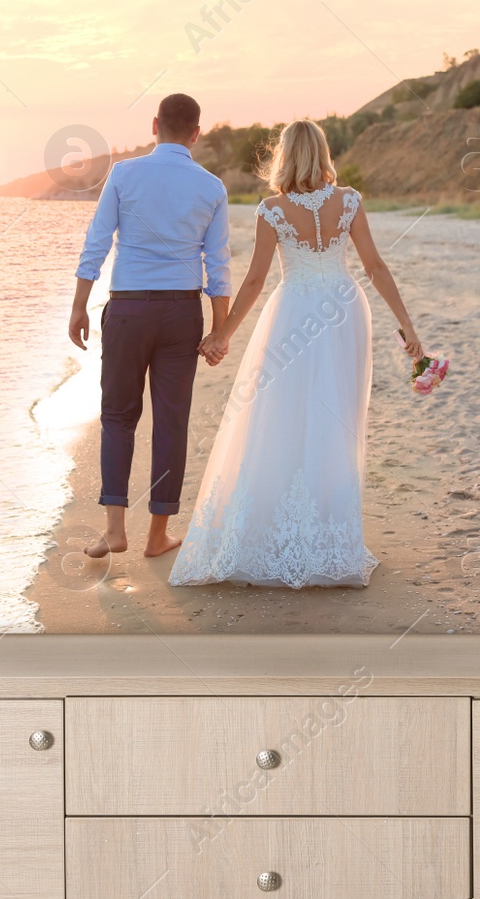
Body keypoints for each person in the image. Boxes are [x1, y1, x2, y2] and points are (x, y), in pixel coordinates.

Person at [168, 118, 423, 588]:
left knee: (280, 416)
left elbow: (254, 281)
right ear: (322, 153)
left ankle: (287, 531)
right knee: (338, 422)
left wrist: (222, 333)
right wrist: (406, 326)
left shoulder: (272, 209)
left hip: (293, 313)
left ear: (285, 155)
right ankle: (330, 537)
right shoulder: (349, 201)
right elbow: (375, 265)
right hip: (345, 310)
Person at [68, 93, 231, 559]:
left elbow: (96, 244)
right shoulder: (212, 187)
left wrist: (79, 306)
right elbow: (218, 267)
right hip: (182, 314)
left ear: (155, 124)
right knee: (171, 421)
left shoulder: (123, 173)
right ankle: (157, 535)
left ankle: (115, 530)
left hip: (129, 310)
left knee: (118, 415)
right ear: (196, 133)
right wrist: (218, 331)